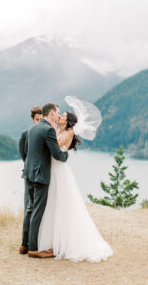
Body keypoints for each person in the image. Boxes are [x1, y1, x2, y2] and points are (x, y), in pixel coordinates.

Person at [38, 109, 113, 262]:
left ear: (68, 121)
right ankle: (55, 242)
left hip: (60, 171)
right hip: (53, 169)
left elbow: (56, 145)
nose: (60, 117)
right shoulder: (59, 130)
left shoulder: (69, 132)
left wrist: (51, 130)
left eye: (63, 116)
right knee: (53, 204)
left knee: (64, 206)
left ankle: (66, 243)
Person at [20, 103, 68, 258]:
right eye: (58, 112)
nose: (58, 115)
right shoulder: (47, 129)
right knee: (37, 211)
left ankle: (25, 244)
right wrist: (66, 153)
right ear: (52, 113)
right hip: (40, 176)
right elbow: (56, 154)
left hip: (29, 174)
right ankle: (33, 249)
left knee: (31, 209)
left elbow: (27, 152)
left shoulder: (32, 128)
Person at [19, 106, 42, 254]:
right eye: (37, 120)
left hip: (40, 176)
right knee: (29, 208)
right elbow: (24, 155)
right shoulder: (25, 134)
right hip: (29, 175)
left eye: (41, 119)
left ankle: (36, 241)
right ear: (33, 119)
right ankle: (24, 243)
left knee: (37, 209)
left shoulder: (44, 133)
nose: (39, 122)